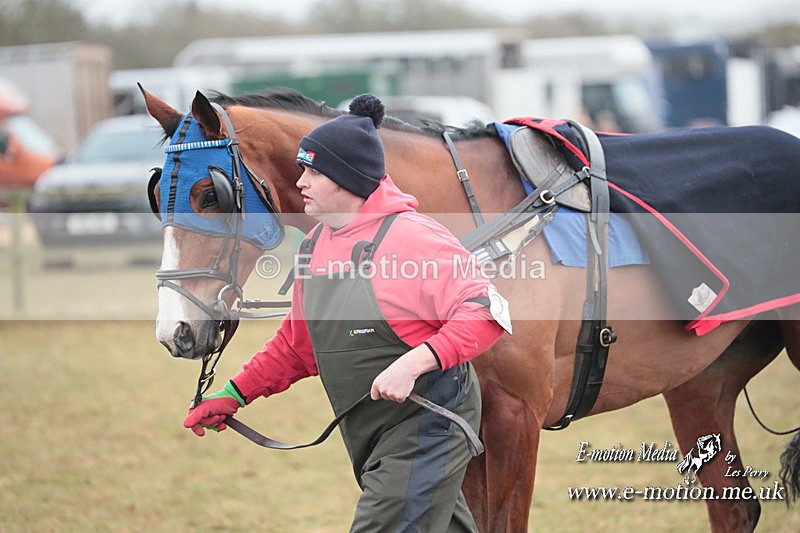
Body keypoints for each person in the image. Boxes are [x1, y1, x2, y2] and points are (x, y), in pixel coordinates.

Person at [184, 94, 508, 532]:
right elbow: (298, 347)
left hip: (429, 423)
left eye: (314, 172)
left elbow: (485, 313)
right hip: (369, 431)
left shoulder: (415, 239)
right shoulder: (314, 246)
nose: (301, 182)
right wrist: (234, 393)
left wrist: (412, 364)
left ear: (350, 180)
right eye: (303, 170)